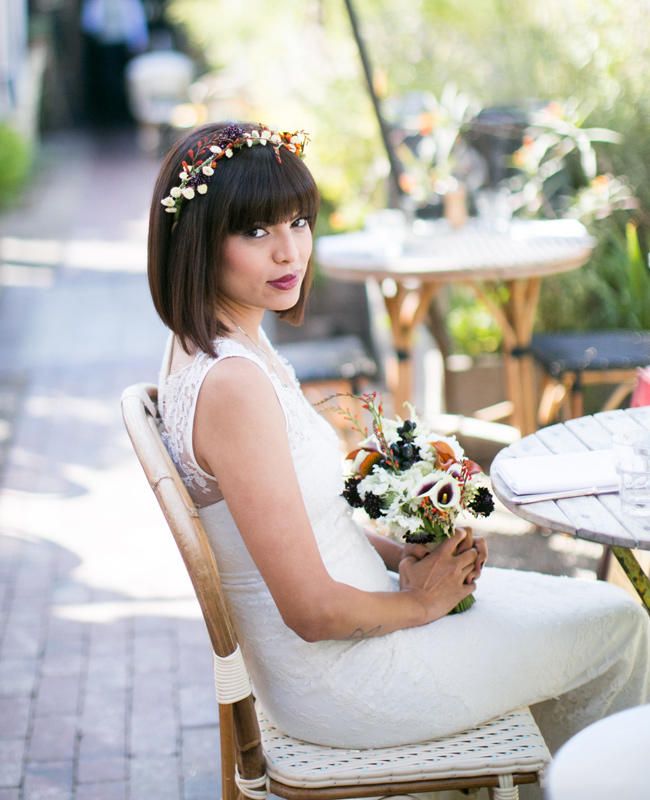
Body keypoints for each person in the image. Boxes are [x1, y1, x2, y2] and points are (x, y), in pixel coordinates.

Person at [149, 121, 649, 765]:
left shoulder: (222, 346)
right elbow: (309, 610)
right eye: (255, 231)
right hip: (346, 680)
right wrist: (419, 603)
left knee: (594, 607)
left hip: (358, 628)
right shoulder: (233, 386)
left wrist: (399, 554)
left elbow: (297, 532)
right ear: (197, 241)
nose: (289, 252)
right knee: (619, 626)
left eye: (298, 222)